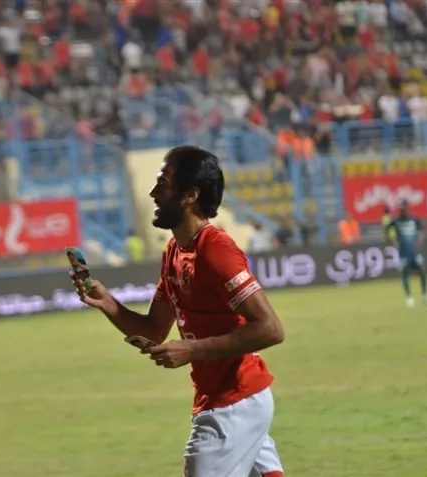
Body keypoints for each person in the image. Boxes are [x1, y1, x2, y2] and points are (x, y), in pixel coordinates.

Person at [68, 146, 285, 477]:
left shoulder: (216, 249)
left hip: (234, 403)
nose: (153, 193)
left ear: (190, 195)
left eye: (163, 183)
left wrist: (192, 349)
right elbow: (154, 330)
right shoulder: (174, 251)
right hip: (230, 399)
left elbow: (271, 328)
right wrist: (108, 302)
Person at [385, 200, 427, 307]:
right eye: (400, 209)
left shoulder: (414, 219)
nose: (402, 211)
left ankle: (425, 296)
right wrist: (394, 242)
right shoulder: (396, 221)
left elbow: (423, 230)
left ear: (407, 208)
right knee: (405, 273)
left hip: (415, 252)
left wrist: (419, 242)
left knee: (422, 271)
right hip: (403, 253)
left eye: (403, 209)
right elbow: (387, 231)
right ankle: (409, 298)